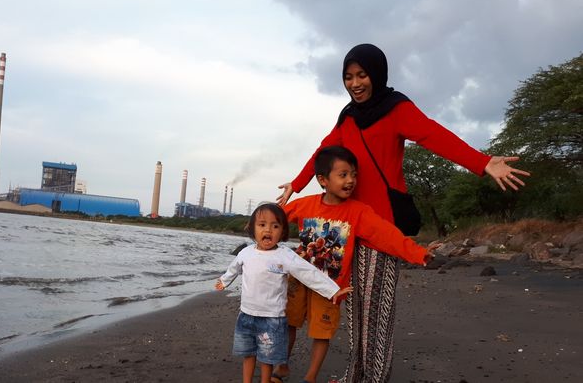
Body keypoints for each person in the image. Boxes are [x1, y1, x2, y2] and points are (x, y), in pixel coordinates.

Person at [276, 43, 530, 382]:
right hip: (347, 226)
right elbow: (323, 152)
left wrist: (482, 163)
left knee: (377, 312)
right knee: (354, 310)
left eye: (362, 75)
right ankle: (357, 374)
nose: (355, 83)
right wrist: (297, 183)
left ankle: (375, 377)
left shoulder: (396, 109)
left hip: (382, 226)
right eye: (348, 77)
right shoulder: (348, 117)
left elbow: (434, 135)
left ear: (377, 74)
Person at [278, 145, 439, 383]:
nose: (351, 180)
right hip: (298, 279)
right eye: (343, 175)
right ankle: (282, 366)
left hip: (330, 286)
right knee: (288, 323)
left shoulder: (359, 212)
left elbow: (388, 235)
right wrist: (257, 227)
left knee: (322, 333)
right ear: (323, 180)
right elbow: (275, 217)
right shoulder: (305, 205)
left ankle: (310, 377)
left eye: (353, 174)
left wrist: (419, 253)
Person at [216, 203, 353, 383]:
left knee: (267, 358)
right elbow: (233, 269)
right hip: (246, 315)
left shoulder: (284, 255)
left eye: (275, 226)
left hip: (272, 319)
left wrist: (332, 290)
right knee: (248, 354)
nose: (268, 230)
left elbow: (307, 272)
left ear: (282, 231)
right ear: (252, 229)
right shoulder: (245, 253)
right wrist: (224, 281)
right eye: (262, 225)